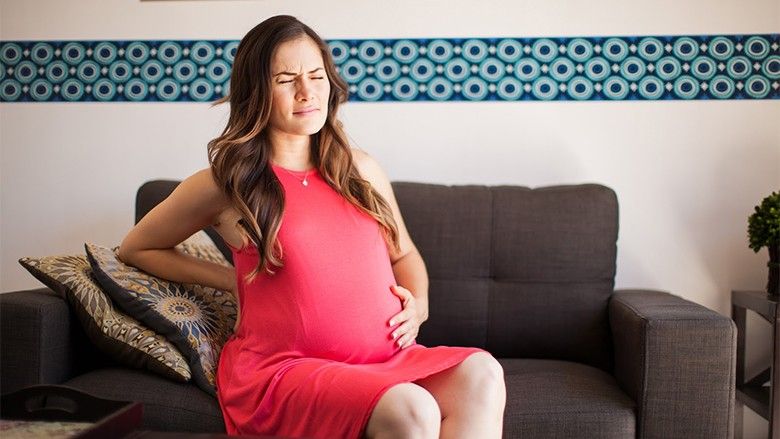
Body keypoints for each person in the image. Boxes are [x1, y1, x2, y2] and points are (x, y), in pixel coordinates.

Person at [117, 14, 506, 439]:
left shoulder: (360, 170)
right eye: (286, 80)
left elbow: (405, 254)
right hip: (285, 369)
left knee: (482, 373)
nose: (307, 92)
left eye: (316, 75)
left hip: (386, 362)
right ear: (256, 91)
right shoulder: (226, 184)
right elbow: (138, 248)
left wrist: (420, 303)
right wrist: (229, 279)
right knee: (413, 409)